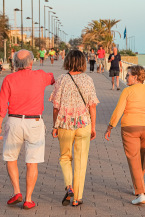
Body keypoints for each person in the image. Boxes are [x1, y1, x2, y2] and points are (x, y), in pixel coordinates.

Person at [0, 49, 55, 209]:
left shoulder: (8, 79)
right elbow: (52, 79)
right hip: (34, 123)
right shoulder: (40, 75)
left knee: (11, 158)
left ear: (15, 64)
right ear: (31, 63)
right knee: (32, 162)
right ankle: (28, 199)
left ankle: (17, 191)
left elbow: (2, 106)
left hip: (14, 121)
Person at [104, 65, 145, 205]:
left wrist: (110, 127)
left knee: (133, 159)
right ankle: (139, 186)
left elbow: (119, 110)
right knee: (142, 156)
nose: (126, 77)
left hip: (130, 128)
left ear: (135, 77)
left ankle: (140, 193)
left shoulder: (127, 91)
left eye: (128, 75)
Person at [49, 50, 99, 207]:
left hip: (65, 124)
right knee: (81, 161)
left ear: (68, 61)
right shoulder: (88, 80)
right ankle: (77, 197)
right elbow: (92, 106)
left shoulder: (62, 79)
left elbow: (56, 107)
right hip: (84, 124)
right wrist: (93, 127)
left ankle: (68, 186)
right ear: (83, 63)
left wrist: (55, 125)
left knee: (65, 157)